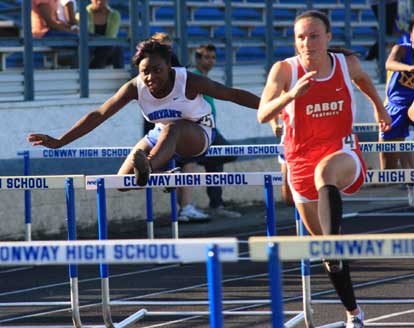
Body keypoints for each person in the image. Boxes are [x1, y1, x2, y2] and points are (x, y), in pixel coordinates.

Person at [257, 10, 391, 328]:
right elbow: (263, 114)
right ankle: (353, 314)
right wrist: (291, 95)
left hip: (342, 151)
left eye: (314, 35)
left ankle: (334, 244)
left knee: (325, 175)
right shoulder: (284, 70)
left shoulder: (347, 64)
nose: (307, 42)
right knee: (329, 255)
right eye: (300, 37)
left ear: (328, 37)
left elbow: (363, 81)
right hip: (300, 159)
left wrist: (379, 106)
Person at [27, 40, 260, 196]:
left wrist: (271, 107)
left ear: (169, 66)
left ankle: (149, 167)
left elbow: (232, 94)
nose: (150, 77)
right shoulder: (134, 87)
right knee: (122, 182)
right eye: (144, 72)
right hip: (161, 134)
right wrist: (60, 141)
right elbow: (99, 114)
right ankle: (163, 174)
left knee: (173, 128)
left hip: (198, 132)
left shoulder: (187, 80)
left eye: (156, 70)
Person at [178, 44, 243, 220]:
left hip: (210, 129)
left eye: (213, 57)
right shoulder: (194, 78)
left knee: (220, 157)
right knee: (191, 163)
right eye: (207, 57)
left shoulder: (204, 77)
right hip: (196, 130)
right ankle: (187, 208)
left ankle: (216, 204)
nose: (211, 61)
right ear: (197, 59)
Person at [379, 19, 414, 206]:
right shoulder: (402, 49)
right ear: (411, 36)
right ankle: (410, 179)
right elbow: (389, 63)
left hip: (412, 105)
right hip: (394, 106)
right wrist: (409, 68)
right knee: (388, 171)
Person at [84, 0, 124, 69]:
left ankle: (119, 73)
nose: (99, 2)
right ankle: (93, 69)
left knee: (115, 47)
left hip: (105, 49)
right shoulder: (83, 13)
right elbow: (86, 35)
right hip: (89, 47)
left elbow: (110, 37)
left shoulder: (114, 15)